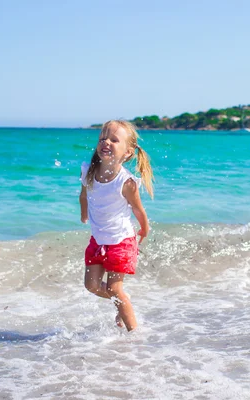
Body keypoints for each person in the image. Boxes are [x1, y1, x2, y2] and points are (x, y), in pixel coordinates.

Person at [79, 120, 154, 331]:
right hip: (98, 241)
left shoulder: (126, 181)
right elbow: (83, 194)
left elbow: (138, 209)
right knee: (91, 285)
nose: (106, 142)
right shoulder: (89, 172)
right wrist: (84, 213)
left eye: (114, 140)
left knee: (114, 288)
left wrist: (144, 228)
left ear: (128, 153)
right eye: (103, 138)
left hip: (121, 241)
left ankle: (134, 335)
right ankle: (122, 301)